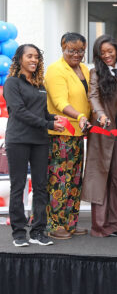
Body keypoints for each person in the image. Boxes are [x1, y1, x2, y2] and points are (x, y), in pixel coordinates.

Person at [4, 44, 65, 246]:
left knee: (41, 186)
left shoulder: (39, 84)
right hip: (18, 140)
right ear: (19, 58)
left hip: (40, 140)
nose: (34, 60)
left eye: (37, 57)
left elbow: (42, 113)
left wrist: (55, 118)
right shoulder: (12, 82)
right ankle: (19, 233)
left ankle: (38, 231)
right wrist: (48, 123)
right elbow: (19, 112)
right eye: (29, 56)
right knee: (18, 186)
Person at [82, 35, 117, 237]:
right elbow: (93, 97)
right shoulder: (95, 73)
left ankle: (114, 223)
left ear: (116, 52)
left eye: (110, 51)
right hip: (102, 133)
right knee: (100, 178)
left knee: (115, 177)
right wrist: (100, 115)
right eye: (102, 53)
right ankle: (99, 226)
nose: (107, 55)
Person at [44, 32, 91, 240]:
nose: (76, 54)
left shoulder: (84, 69)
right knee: (58, 181)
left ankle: (70, 223)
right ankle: (54, 224)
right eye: (71, 50)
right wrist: (80, 115)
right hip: (61, 133)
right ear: (62, 48)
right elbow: (59, 102)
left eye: (80, 50)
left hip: (79, 133)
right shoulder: (55, 70)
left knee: (74, 181)